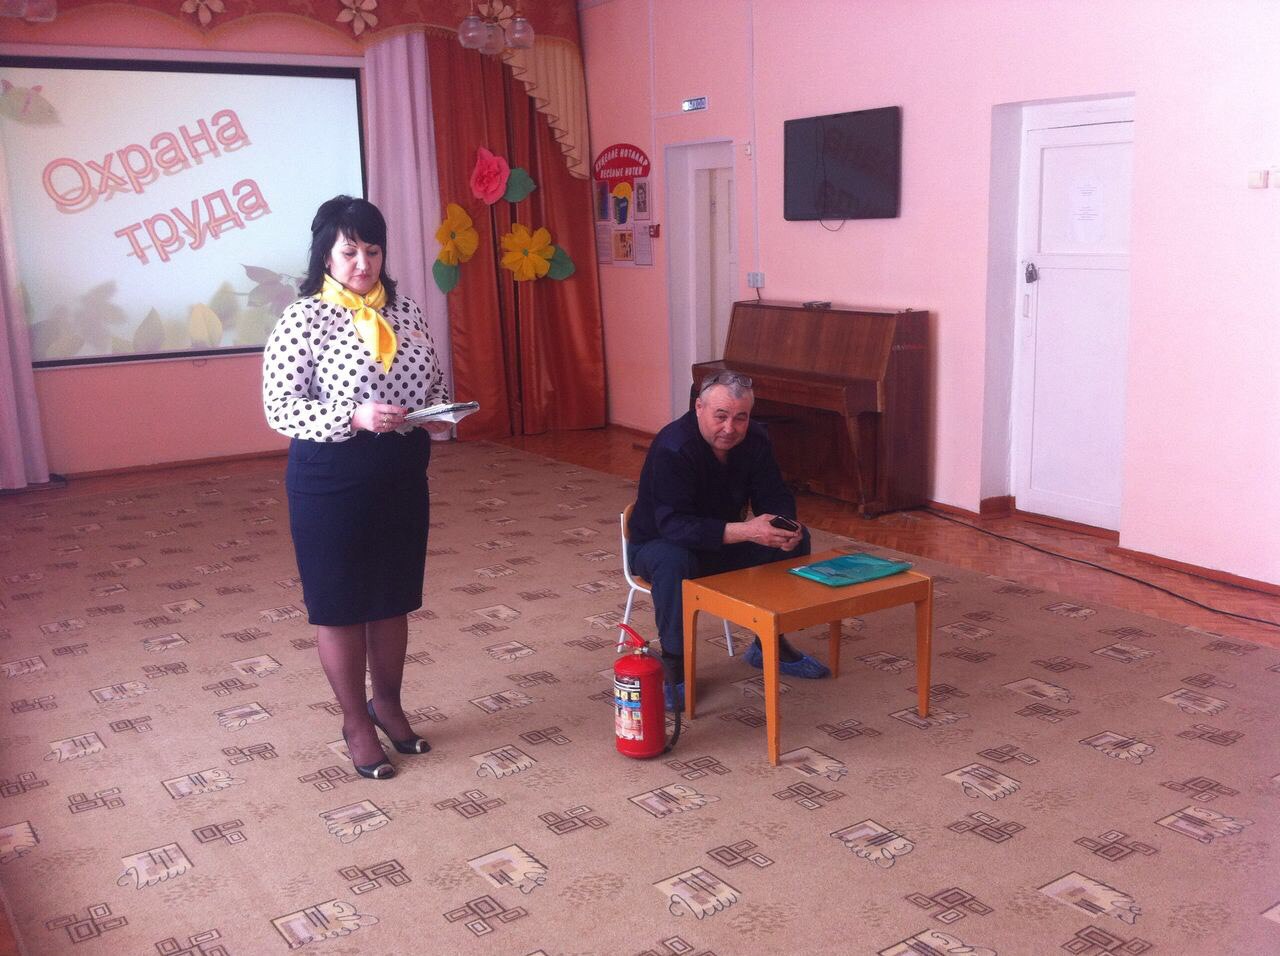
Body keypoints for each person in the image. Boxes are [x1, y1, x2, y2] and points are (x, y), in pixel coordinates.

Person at [262, 195, 452, 780]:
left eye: (372, 250)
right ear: (326, 256)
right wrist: (353, 416)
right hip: (331, 477)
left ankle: (387, 705)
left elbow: (431, 380)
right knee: (341, 605)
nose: (363, 263)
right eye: (349, 252)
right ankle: (355, 723)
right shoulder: (303, 318)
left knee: (393, 598)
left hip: (399, 472)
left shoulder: (407, 310)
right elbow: (280, 407)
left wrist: (437, 412)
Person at [627, 370, 831, 709]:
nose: (730, 428)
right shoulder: (672, 446)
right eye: (720, 416)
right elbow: (674, 525)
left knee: (793, 540)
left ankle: (770, 644)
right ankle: (675, 663)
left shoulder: (756, 439)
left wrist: (785, 525)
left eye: (740, 418)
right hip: (659, 545)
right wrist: (747, 531)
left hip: (722, 543)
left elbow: (774, 495)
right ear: (699, 408)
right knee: (673, 559)